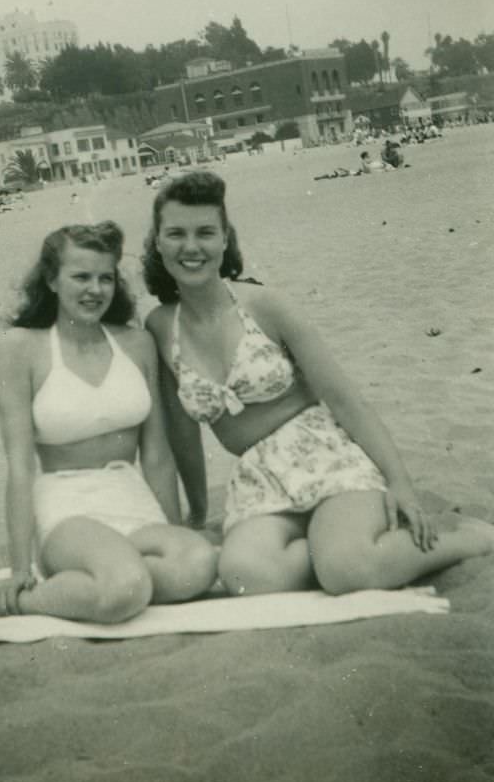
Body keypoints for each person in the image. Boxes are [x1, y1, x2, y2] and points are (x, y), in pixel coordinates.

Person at [142, 171, 493, 597]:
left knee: (349, 570)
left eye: (205, 233)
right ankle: (335, 544)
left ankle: (465, 532)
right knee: (243, 576)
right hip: (258, 477)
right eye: (176, 234)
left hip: (326, 454)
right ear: (157, 242)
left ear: (224, 240)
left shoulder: (265, 306)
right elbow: (182, 434)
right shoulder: (161, 327)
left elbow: (346, 400)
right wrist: (197, 513)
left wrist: (400, 482)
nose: (191, 247)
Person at [0, 222, 217, 625]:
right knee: (125, 588)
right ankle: (16, 600)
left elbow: (156, 455)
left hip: (132, 498)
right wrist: (20, 569)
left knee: (197, 564)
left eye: (105, 278)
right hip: (68, 510)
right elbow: (20, 466)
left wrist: (174, 530)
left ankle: (100, 583)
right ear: (51, 280)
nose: (96, 289)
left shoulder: (136, 345)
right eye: (81, 276)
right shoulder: (21, 348)